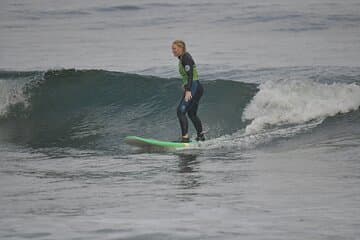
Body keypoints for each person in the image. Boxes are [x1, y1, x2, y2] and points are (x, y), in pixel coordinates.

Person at [172, 40, 205, 143]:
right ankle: (201, 136)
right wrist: (186, 85)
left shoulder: (186, 58)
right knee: (191, 113)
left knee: (180, 111)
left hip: (194, 87)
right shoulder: (182, 58)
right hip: (196, 87)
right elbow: (188, 75)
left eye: (175, 49)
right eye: (172, 49)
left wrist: (188, 90)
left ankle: (185, 138)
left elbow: (190, 75)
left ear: (181, 48)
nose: (173, 51)